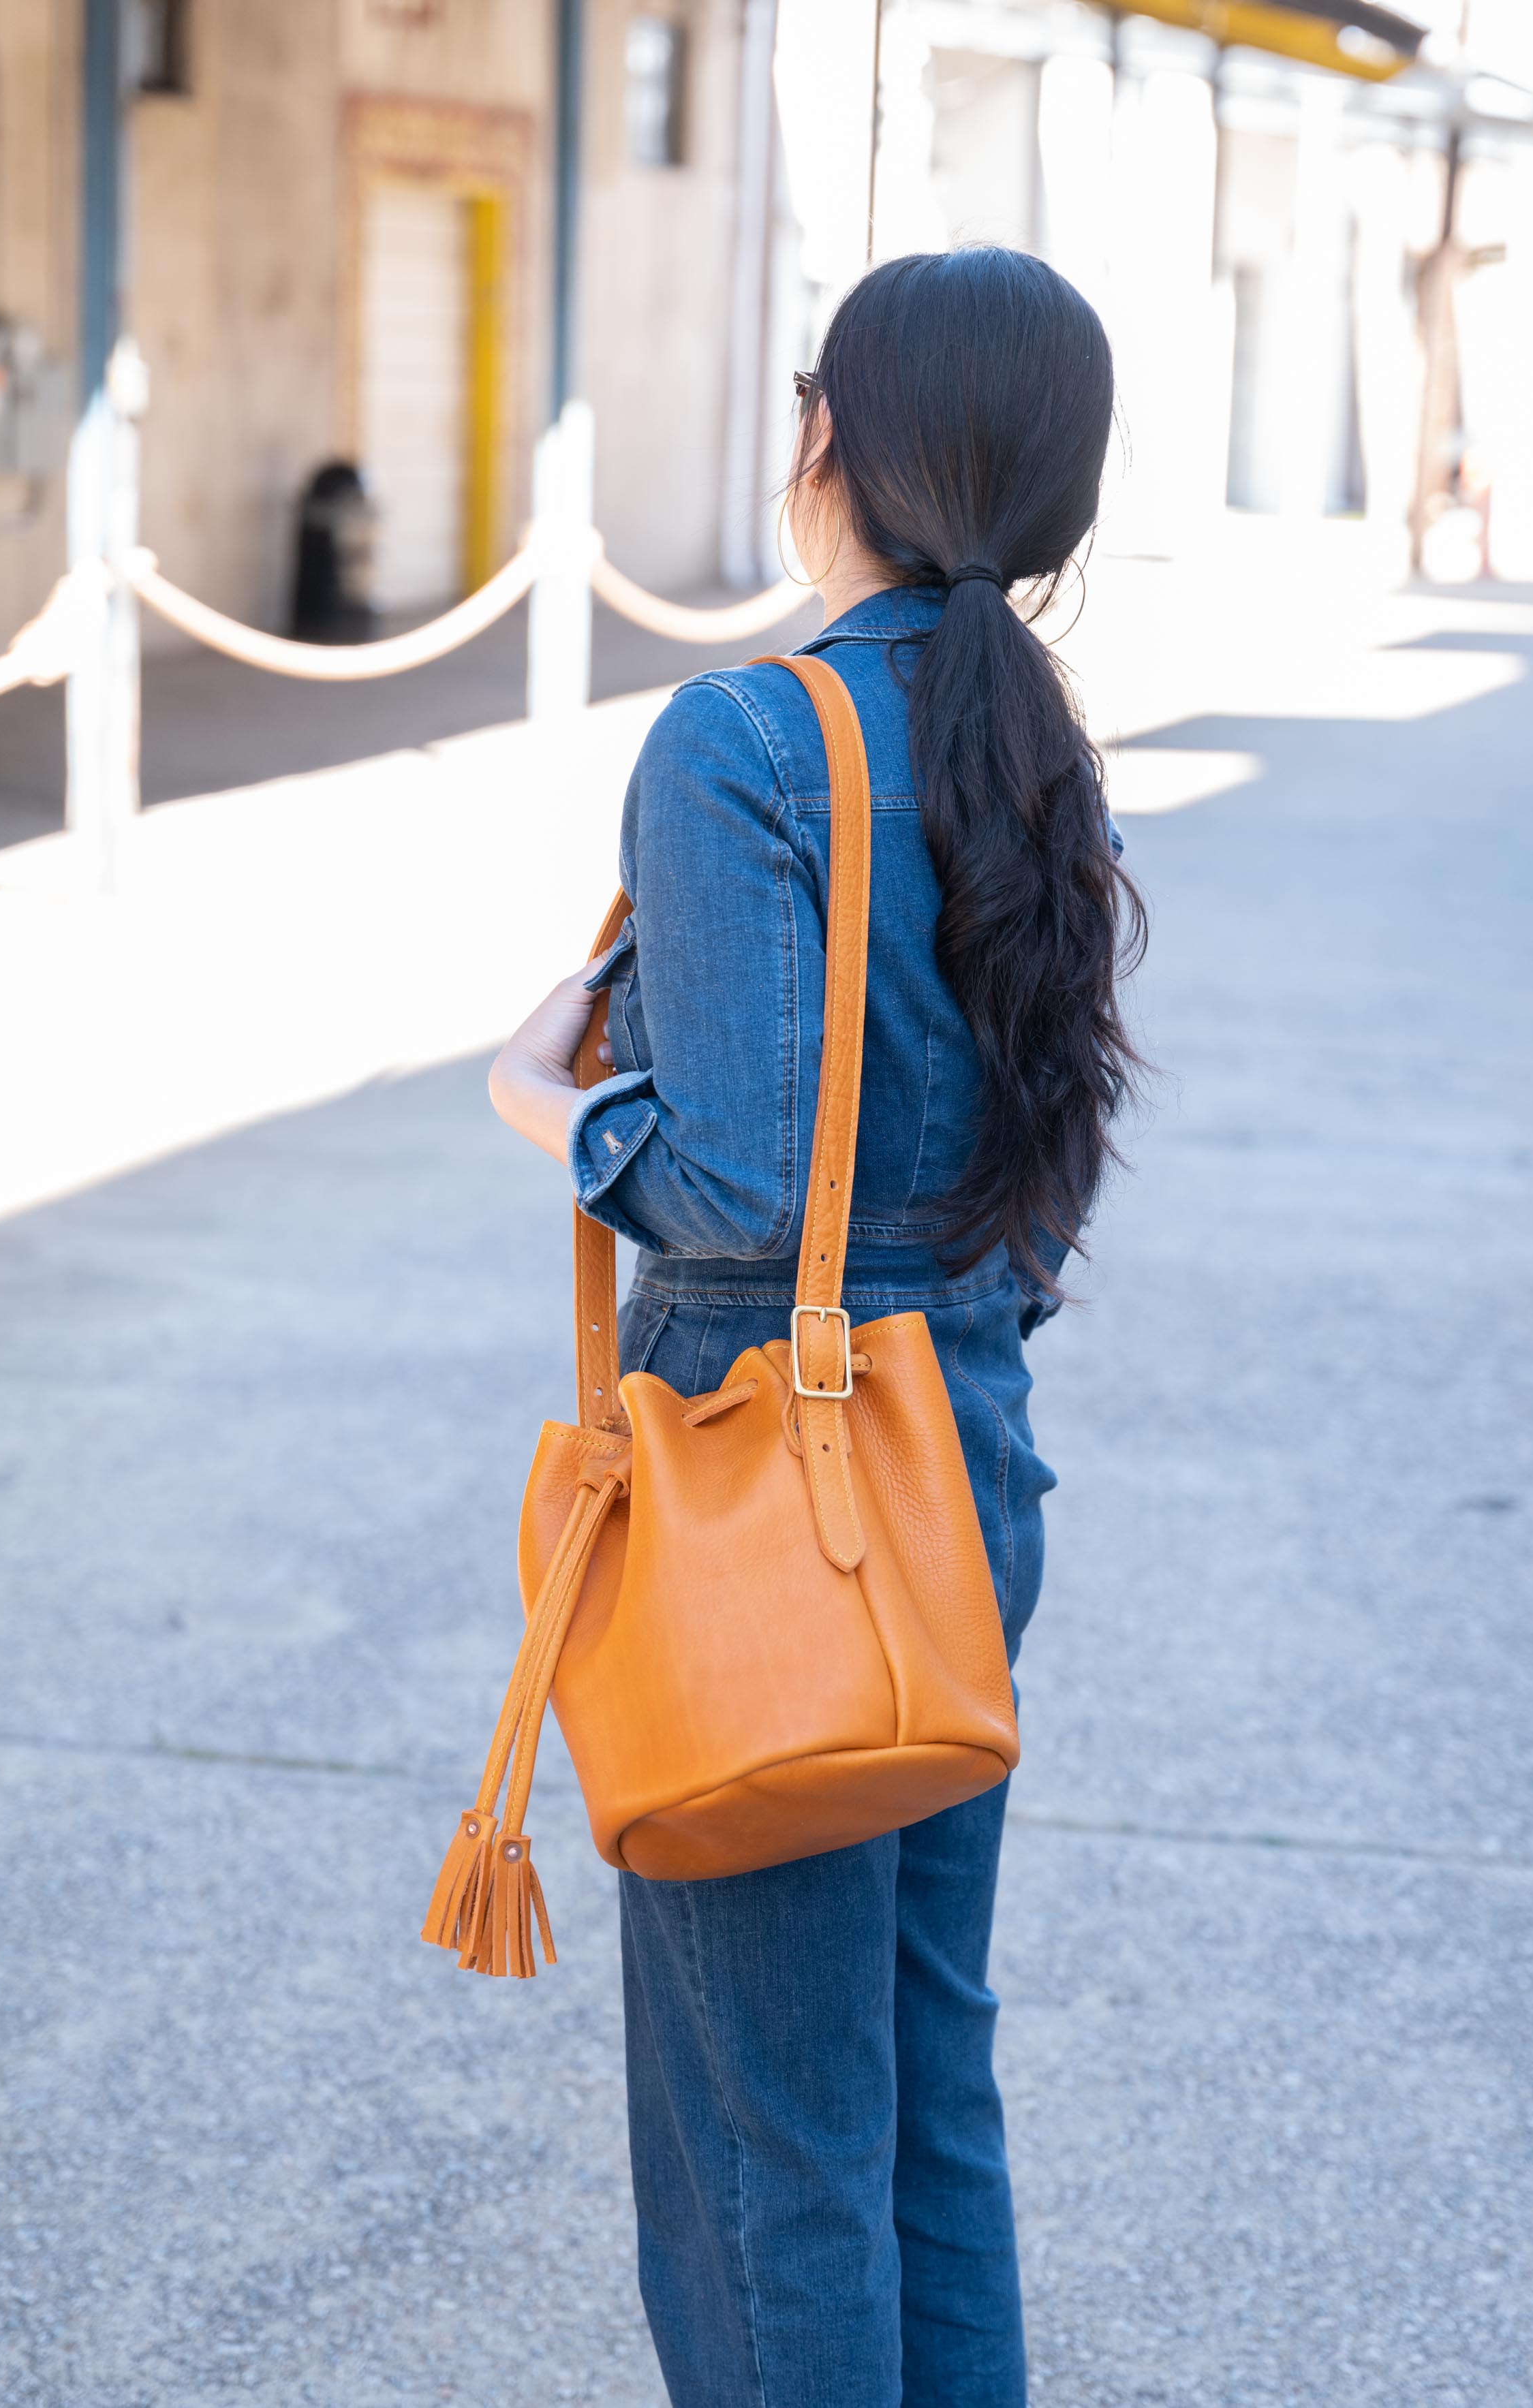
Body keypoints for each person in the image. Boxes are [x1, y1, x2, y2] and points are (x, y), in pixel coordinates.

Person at [486, 245, 1144, 2408]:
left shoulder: (745, 730)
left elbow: (755, 1198)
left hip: (773, 1483)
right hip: (962, 1449)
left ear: (830, 442)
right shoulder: (1029, 743)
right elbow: (1018, 1154)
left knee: (766, 2128)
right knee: (916, 2080)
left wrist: (558, 1113)